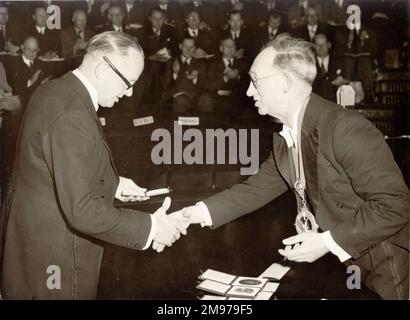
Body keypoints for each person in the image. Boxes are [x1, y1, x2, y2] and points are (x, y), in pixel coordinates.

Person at [165, 34, 409, 299]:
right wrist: (194, 213)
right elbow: (254, 190)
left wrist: (327, 242)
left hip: (389, 263)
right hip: (353, 264)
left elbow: (395, 205)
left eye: (255, 81)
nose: (248, 91)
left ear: (284, 82)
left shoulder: (344, 128)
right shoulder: (285, 137)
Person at [0, 31, 187, 299]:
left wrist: (114, 184)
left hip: (30, 247)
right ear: (102, 68)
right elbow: (83, 211)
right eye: (128, 82)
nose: (130, 92)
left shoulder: (54, 90)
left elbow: (53, 168)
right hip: (58, 259)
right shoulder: (72, 114)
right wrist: (153, 228)